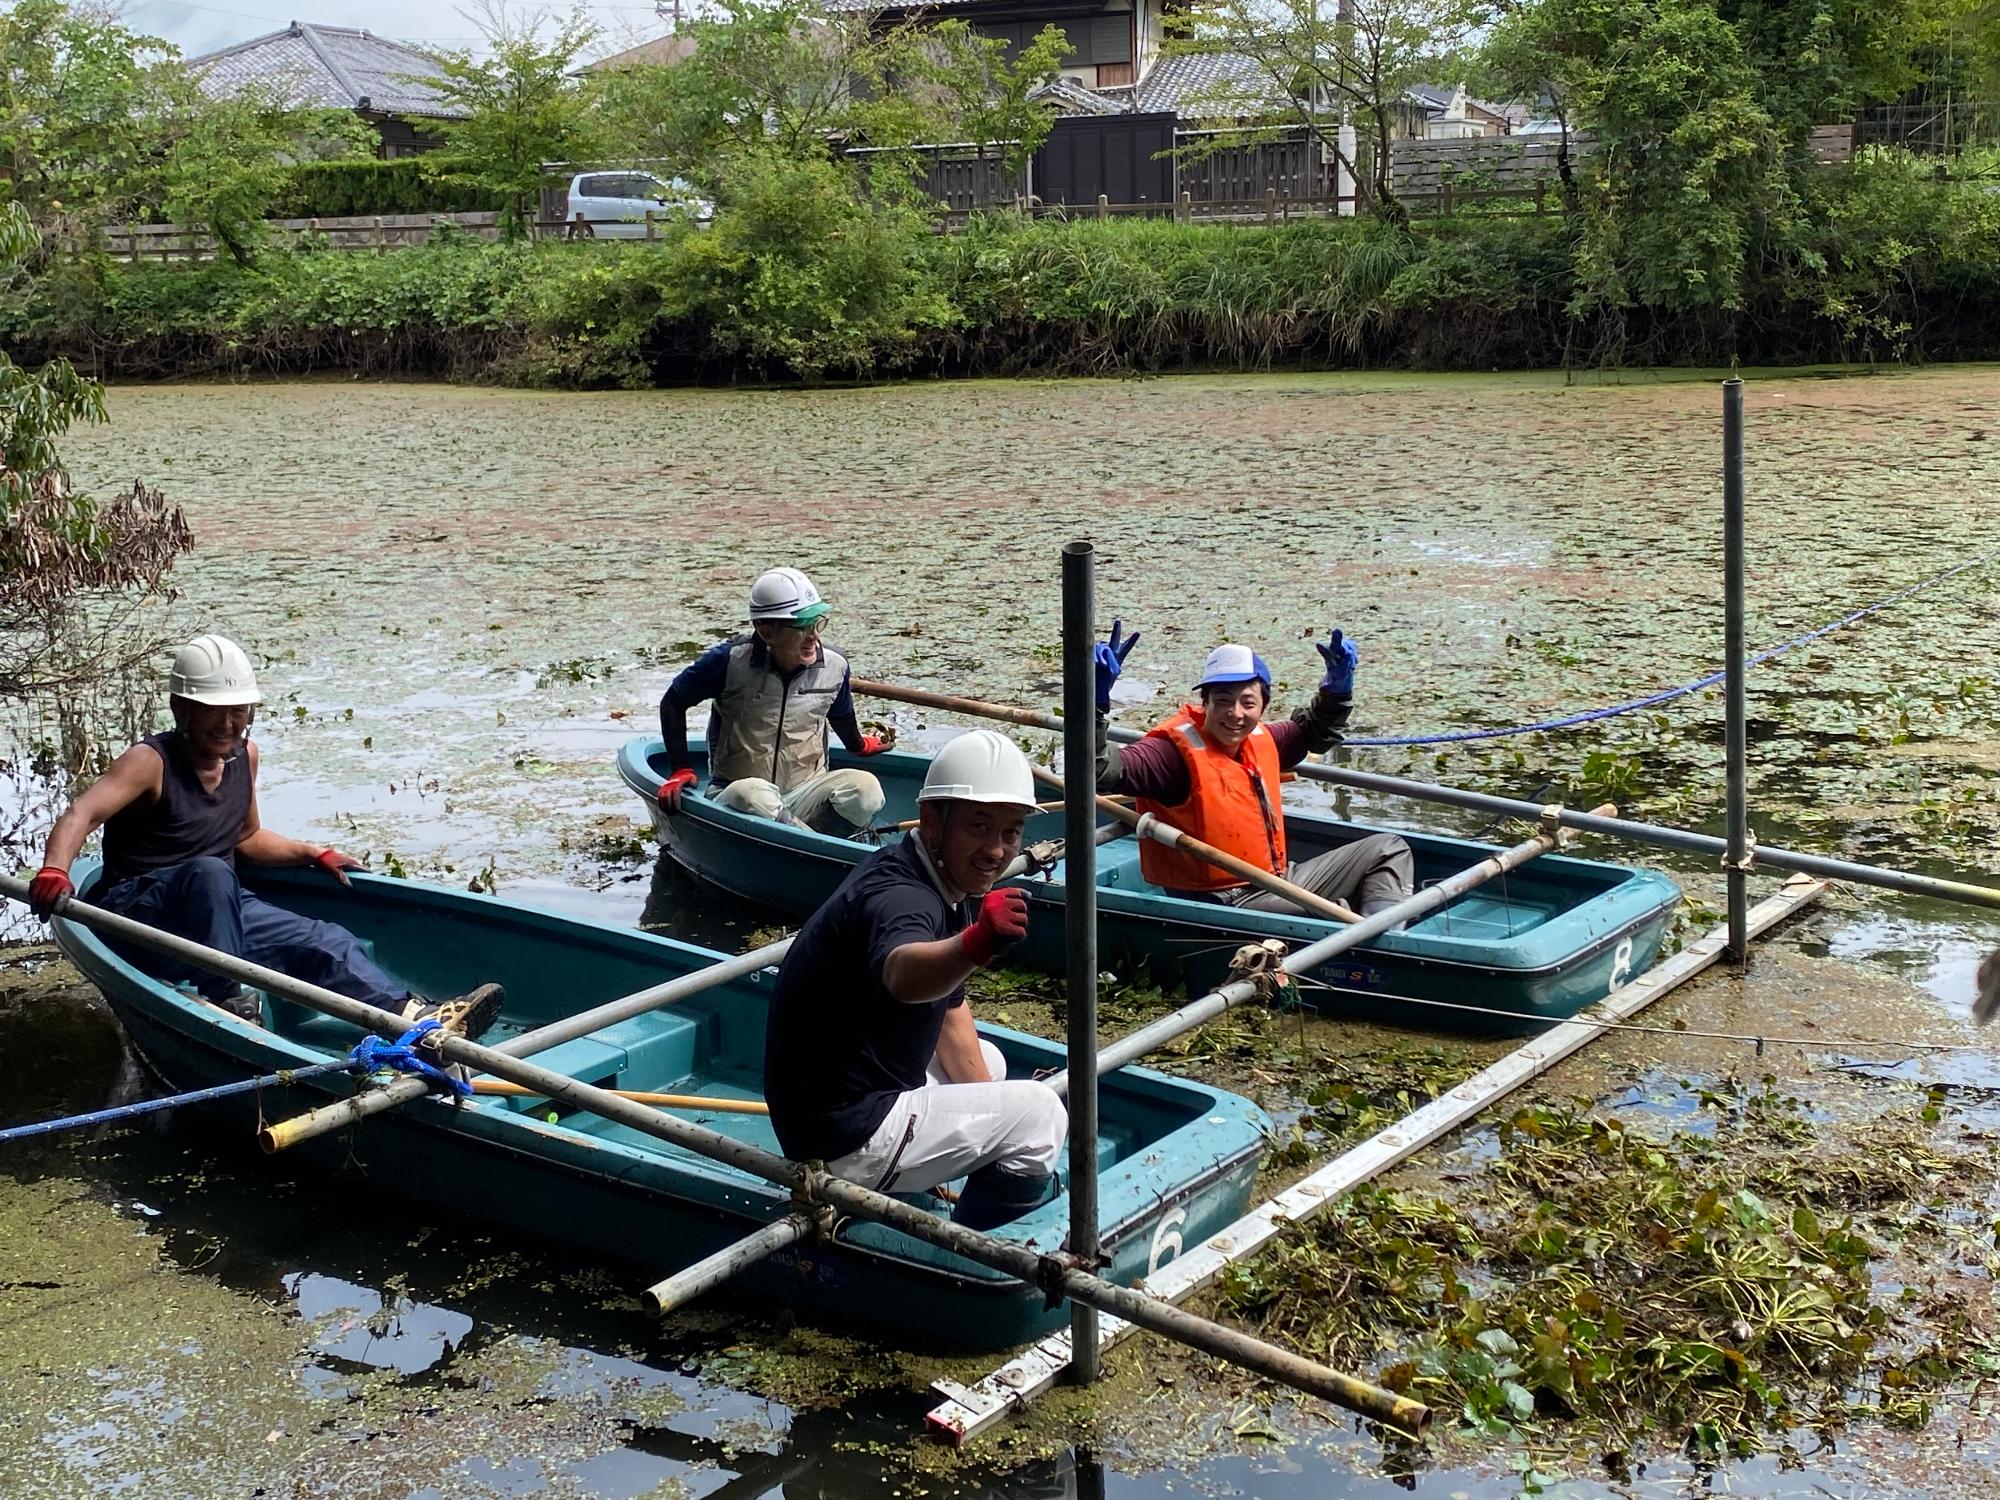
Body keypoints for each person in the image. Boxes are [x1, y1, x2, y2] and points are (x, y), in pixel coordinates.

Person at [27, 634, 502, 1041]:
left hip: (219, 911)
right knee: (211, 873)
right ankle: (227, 999)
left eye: (239, 712)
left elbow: (246, 836)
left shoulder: (244, 755)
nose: (229, 725)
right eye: (216, 713)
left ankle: (415, 1019)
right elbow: (79, 814)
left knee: (327, 940)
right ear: (182, 709)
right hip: (140, 914)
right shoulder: (150, 762)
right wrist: (55, 869)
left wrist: (312, 851)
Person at [762, 729, 1068, 1230]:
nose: (996, 850)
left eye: (1011, 832)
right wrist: (976, 944)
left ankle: (967, 1180)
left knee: (988, 1063)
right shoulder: (904, 896)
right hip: (843, 1133)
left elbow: (948, 1010)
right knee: (1040, 1116)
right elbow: (904, 973)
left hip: (833, 1100)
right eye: (979, 826)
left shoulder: (935, 872)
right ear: (932, 820)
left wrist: (989, 1115)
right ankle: (974, 1254)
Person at [1092, 623, 1415, 920]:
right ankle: (1377, 943)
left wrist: (1336, 690)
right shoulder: (1169, 756)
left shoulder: (1262, 738)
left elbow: (1315, 732)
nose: (1235, 714)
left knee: (1388, 849)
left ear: (1263, 706)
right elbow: (1100, 768)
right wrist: (1092, 704)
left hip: (1274, 880)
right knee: (1331, 915)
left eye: (1247, 703)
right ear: (1205, 703)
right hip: (1221, 901)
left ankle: (1386, 941)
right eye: (1222, 701)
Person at [657, 567, 891, 836]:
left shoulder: (835, 666)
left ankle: (811, 840)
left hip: (805, 791)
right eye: (802, 626)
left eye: (817, 623)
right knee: (752, 793)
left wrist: (859, 744)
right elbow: (674, 701)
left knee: (867, 789)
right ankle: (820, 846)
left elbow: (840, 713)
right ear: (767, 631)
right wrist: (681, 767)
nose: (814, 637)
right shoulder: (729, 661)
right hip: (736, 795)